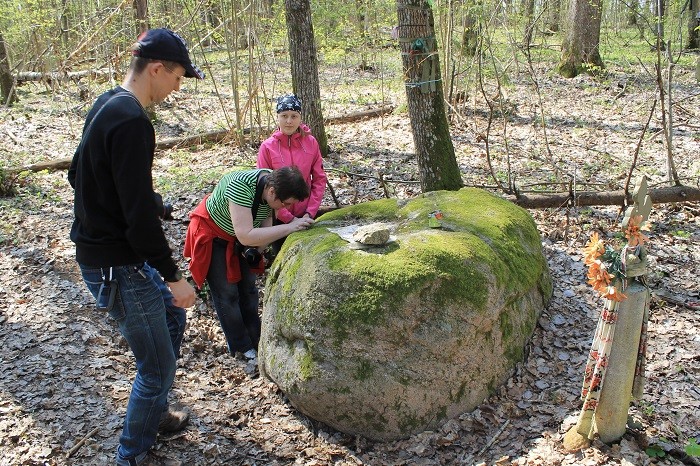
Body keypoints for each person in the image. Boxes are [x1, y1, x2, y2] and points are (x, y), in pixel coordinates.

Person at [67, 28, 202, 466]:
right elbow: (138, 223)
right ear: (157, 68)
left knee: (170, 318)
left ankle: (155, 411)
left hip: (109, 253)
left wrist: (148, 202)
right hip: (117, 265)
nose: (177, 87)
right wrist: (173, 275)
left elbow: (81, 176)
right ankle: (132, 454)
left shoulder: (108, 102)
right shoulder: (131, 121)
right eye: (178, 77)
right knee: (157, 366)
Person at [184, 166, 313, 361]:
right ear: (272, 192)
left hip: (240, 239)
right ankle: (240, 346)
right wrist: (289, 228)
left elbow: (265, 225)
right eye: (285, 203)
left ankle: (257, 338)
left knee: (249, 290)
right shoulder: (241, 187)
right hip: (214, 236)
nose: (284, 209)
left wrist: (258, 250)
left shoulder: (272, 185)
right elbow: (246, 235)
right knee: (227, 294)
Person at [256, 94, 327, 254]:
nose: (289, 121)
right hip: (277, 217)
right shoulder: (267, 147)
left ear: (300, 117)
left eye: (294, 116)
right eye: (284, 116)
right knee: (282, 256)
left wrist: (310, 212)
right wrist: (290, 219)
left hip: (306, 214)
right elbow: (265, 188)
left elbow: (319, 179)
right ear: (277, 117)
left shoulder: (311, 143)